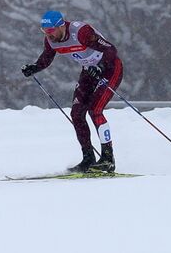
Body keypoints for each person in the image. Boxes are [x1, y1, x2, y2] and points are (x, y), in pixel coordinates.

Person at [22, 10, 123, 173]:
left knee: (95, 110)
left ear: (61, 26)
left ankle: (107, 159)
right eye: (44, 31)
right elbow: (46, 57)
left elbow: (111, 50)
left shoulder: (81, 32)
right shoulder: (51, 40)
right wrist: (34, 67)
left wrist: (101, 66)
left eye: (50, 30)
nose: (48, 34)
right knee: (76, 113)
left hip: (110, 68)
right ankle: (88, 158)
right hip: (89, 70)